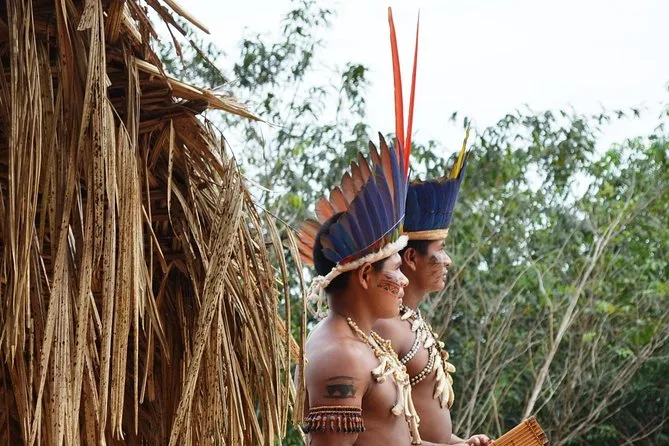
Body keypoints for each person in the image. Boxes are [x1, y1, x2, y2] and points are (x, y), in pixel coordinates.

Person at [296, 8, 469, 445]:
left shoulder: (362, 345)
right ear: (365, 275)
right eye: (394, 268)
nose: (402, 279)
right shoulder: (340, 356)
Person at [373, 129, 492, 446]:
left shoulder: (412, 321)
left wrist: (461, 443)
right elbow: (380, 433)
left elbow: (421, 423)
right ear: (412, 258)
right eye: (441, 250)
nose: (448, 261)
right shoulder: (386, 327)